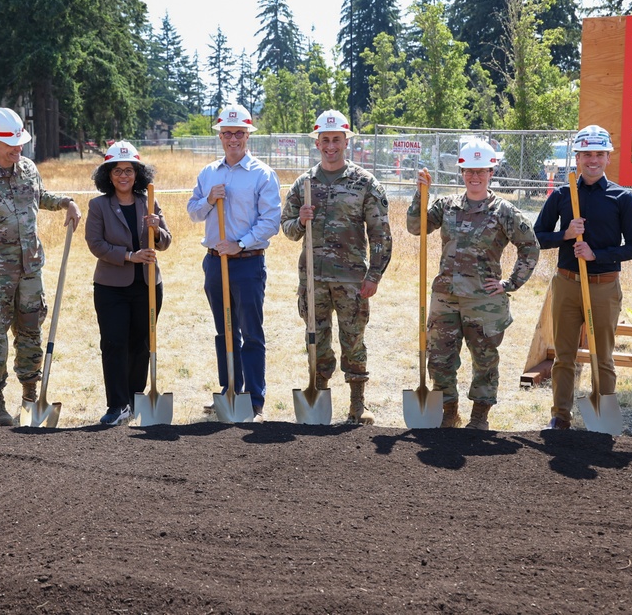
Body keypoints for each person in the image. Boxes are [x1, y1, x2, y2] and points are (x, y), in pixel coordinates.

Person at [0, 107, 81, 426]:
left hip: (30, 273)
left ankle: (29, 398)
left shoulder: (28, 169)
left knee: (30, 334)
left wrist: (66, 202)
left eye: (20, 142)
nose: (18, 148)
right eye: (10, 143)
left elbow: (41, 196)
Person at [407, 140, 540, 430]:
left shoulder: (504, 211)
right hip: (445, 297)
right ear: (461, 172)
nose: (474, 177)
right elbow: (416, 227)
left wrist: (510, 283)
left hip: (484, 301)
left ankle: (479, 416)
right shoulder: (447, 205)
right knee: (440, 358)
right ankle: (448, 412)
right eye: (469, 171)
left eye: (481, 171)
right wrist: (420, 194)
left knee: (484, 359)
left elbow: (530, 247)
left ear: (491, 172)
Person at [281, 110, 392, 424]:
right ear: (317, 143)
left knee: (353, 339)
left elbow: (381, 233)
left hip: (352, 280)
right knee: (316, 337)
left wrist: (375, 276)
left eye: (337, 140)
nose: (331, 146)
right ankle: (317, 395)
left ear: (346, 142)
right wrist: (300, 220)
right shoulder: (304, 184)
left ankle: (358, 405)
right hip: (313, 280)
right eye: (325, 140)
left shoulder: (364, 183)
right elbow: (287, 229)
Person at [533, 125, 632, 430]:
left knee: (602, 356)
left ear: (608, 157)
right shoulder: (562, 194)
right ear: (578, 157)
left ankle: (603, 421)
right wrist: (565, 234)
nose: (592, 160)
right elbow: (537, 238)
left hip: (603, 287)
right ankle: (560, 418)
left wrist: (598, 255)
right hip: (567, 284)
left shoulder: (622, 198)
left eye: (599, 154)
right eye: (586, 154)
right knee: (564, 356)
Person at [186, 104, 281, 422]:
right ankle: (229, 392)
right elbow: (193, 211)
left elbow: (270, 222)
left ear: (248, 135)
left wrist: (238, 243)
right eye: (227, 133)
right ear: (220, 136)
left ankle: (253, 400)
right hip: (214, 263)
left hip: (247, 263)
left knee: (251, 332)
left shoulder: (262, 174)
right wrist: (209, 200)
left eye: (239, 132)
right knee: (224, 331)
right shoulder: (208, 173)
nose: (233, 138)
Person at [85, 141, 172, 425]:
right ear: (108, 175)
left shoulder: (149, 200)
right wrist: (129, 256)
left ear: (138, 173)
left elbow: (165, 243)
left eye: (129, 170)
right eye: (118, 170)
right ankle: (116, 405)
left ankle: (135, 400)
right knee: (113, 343)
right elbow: (95, 244)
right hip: (111, 287)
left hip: (147, 286)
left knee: (141, 343)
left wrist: (157, 229)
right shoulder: (98, 206)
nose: (124, 176)